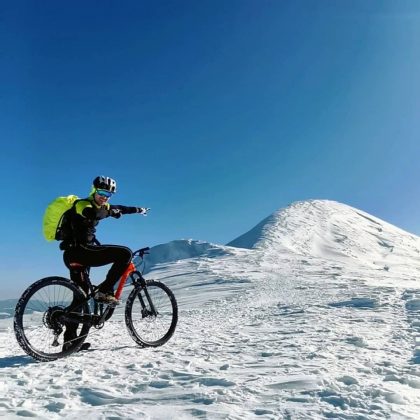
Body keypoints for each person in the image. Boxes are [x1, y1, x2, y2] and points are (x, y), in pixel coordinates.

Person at [60, 176, 148, 351]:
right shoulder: (82, 204)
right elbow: (93, 214)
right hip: (81, 252)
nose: (105, 196)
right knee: (125, 253)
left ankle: (70, 342)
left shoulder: (103, 206)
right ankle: (104, 291)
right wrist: (110, 212)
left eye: (108, 194)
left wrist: (138, 209)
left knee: (81, 296)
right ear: (93, 190)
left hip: (76, 255)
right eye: (101, 192)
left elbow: (121, 208)